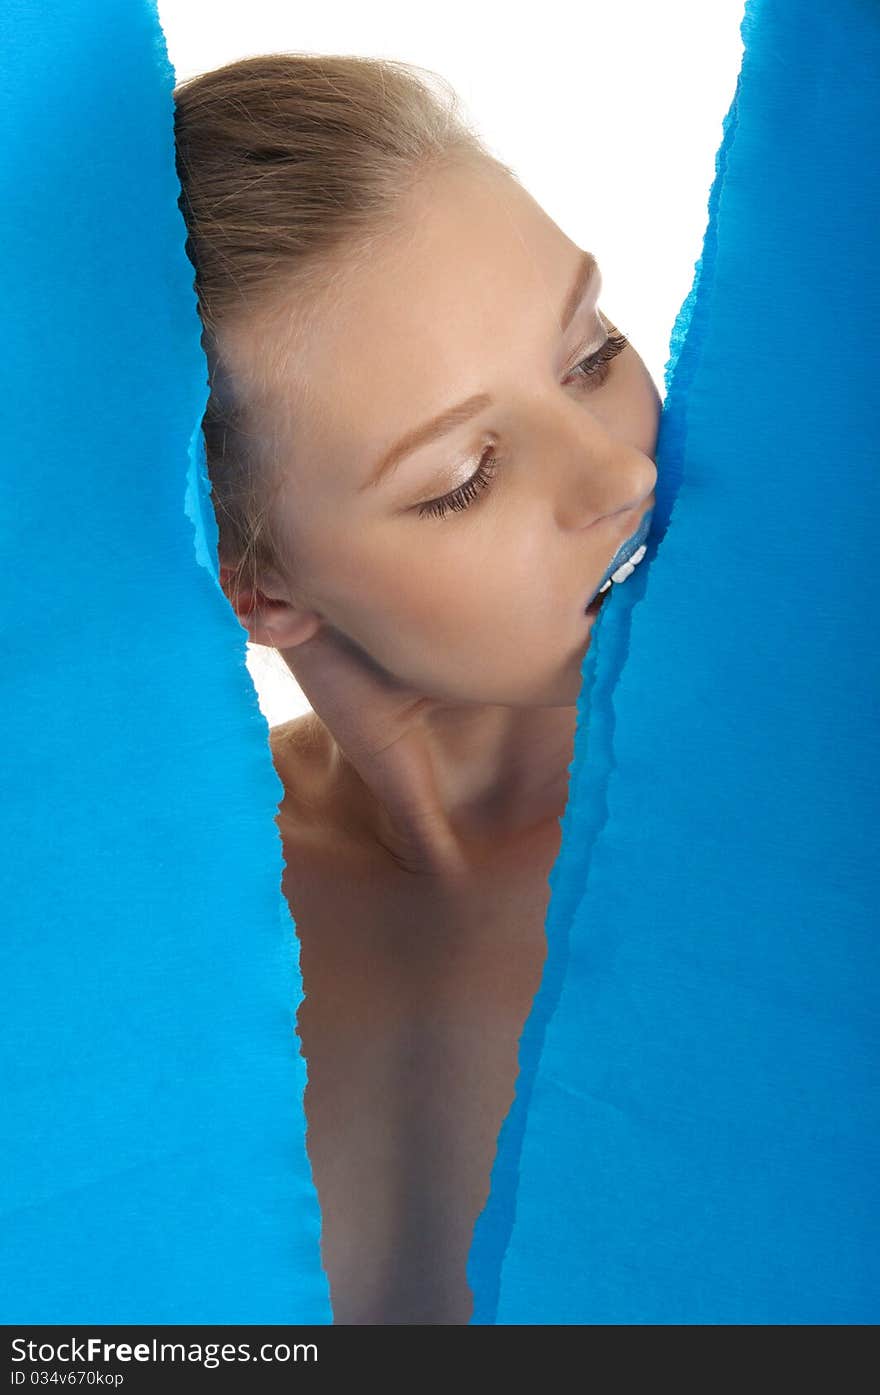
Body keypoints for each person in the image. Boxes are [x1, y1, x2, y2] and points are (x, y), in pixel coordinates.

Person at [173, 51, 660, 1323]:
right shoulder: (139, 931)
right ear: (260, 589)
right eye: (464, 476)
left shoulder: (811, 846)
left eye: (590, 351)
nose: (616, 476)